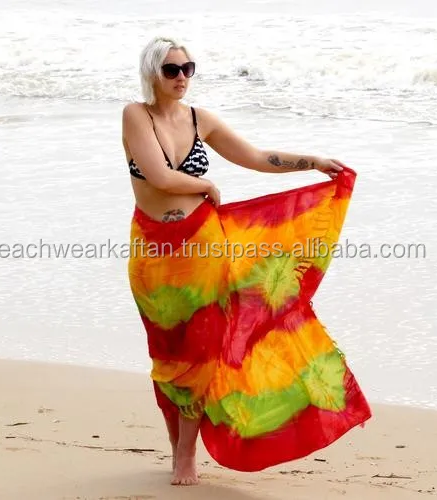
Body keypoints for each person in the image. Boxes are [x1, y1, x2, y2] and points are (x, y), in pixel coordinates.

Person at [122, 36, 371, 486]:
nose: (182, 78)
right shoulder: (135, 115)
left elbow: (256, 157)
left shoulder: (201, 120)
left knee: (201, 352)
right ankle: (177, 446)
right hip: (153, 253)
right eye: (172, 70)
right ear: (152, 73)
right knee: (167, 355)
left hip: (203, 248)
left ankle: (186, 454)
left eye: (188, 69)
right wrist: (204, 185)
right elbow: (158, 176)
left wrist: (312, 162)